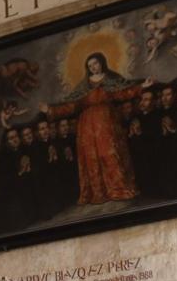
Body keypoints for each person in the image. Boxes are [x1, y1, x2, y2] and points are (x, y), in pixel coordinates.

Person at [44, 52, 148, 205]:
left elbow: (122, 94)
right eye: (90, 66)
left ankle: (118, 189)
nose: (93, 67)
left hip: (107, 122)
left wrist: (141, 87)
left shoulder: (111, 80)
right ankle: (99, 193)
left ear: (102, 63)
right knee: (92, 157)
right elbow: (72, 106)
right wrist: (50, 110)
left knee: (110, 153)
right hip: (86, 126)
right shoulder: (83, 86)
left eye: (96, 64)